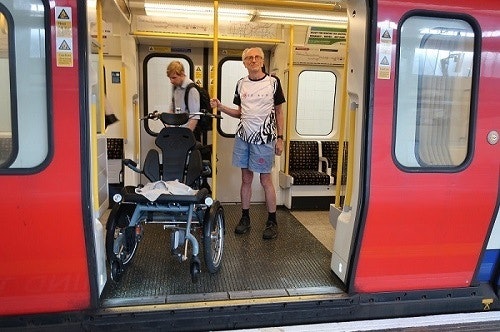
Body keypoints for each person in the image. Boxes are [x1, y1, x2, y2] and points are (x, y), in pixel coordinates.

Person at [210, 47, 285, 240]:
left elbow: (278, 112)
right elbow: (240, 113)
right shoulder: (241, 84)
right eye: (249, 58)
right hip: (244, 137)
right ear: (244, 63)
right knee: (246, 179)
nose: (254, 60)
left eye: (257, 57)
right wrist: (221, 107)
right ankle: (245, 218)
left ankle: (272, 220)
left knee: (265, 180)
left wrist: (280, 138)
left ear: (262, 61)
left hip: (265, 138)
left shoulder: (273, 83)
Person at [166, 60, 200, 131]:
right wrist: (167, 126)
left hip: (188, 132)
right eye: (170, 78)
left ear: (182, 74)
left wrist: (186, 136)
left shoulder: (191, 90)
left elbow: (194, 117)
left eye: (174, 77)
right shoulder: (176, 88)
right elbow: (173, 109)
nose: (171, 81)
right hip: (177, 130)